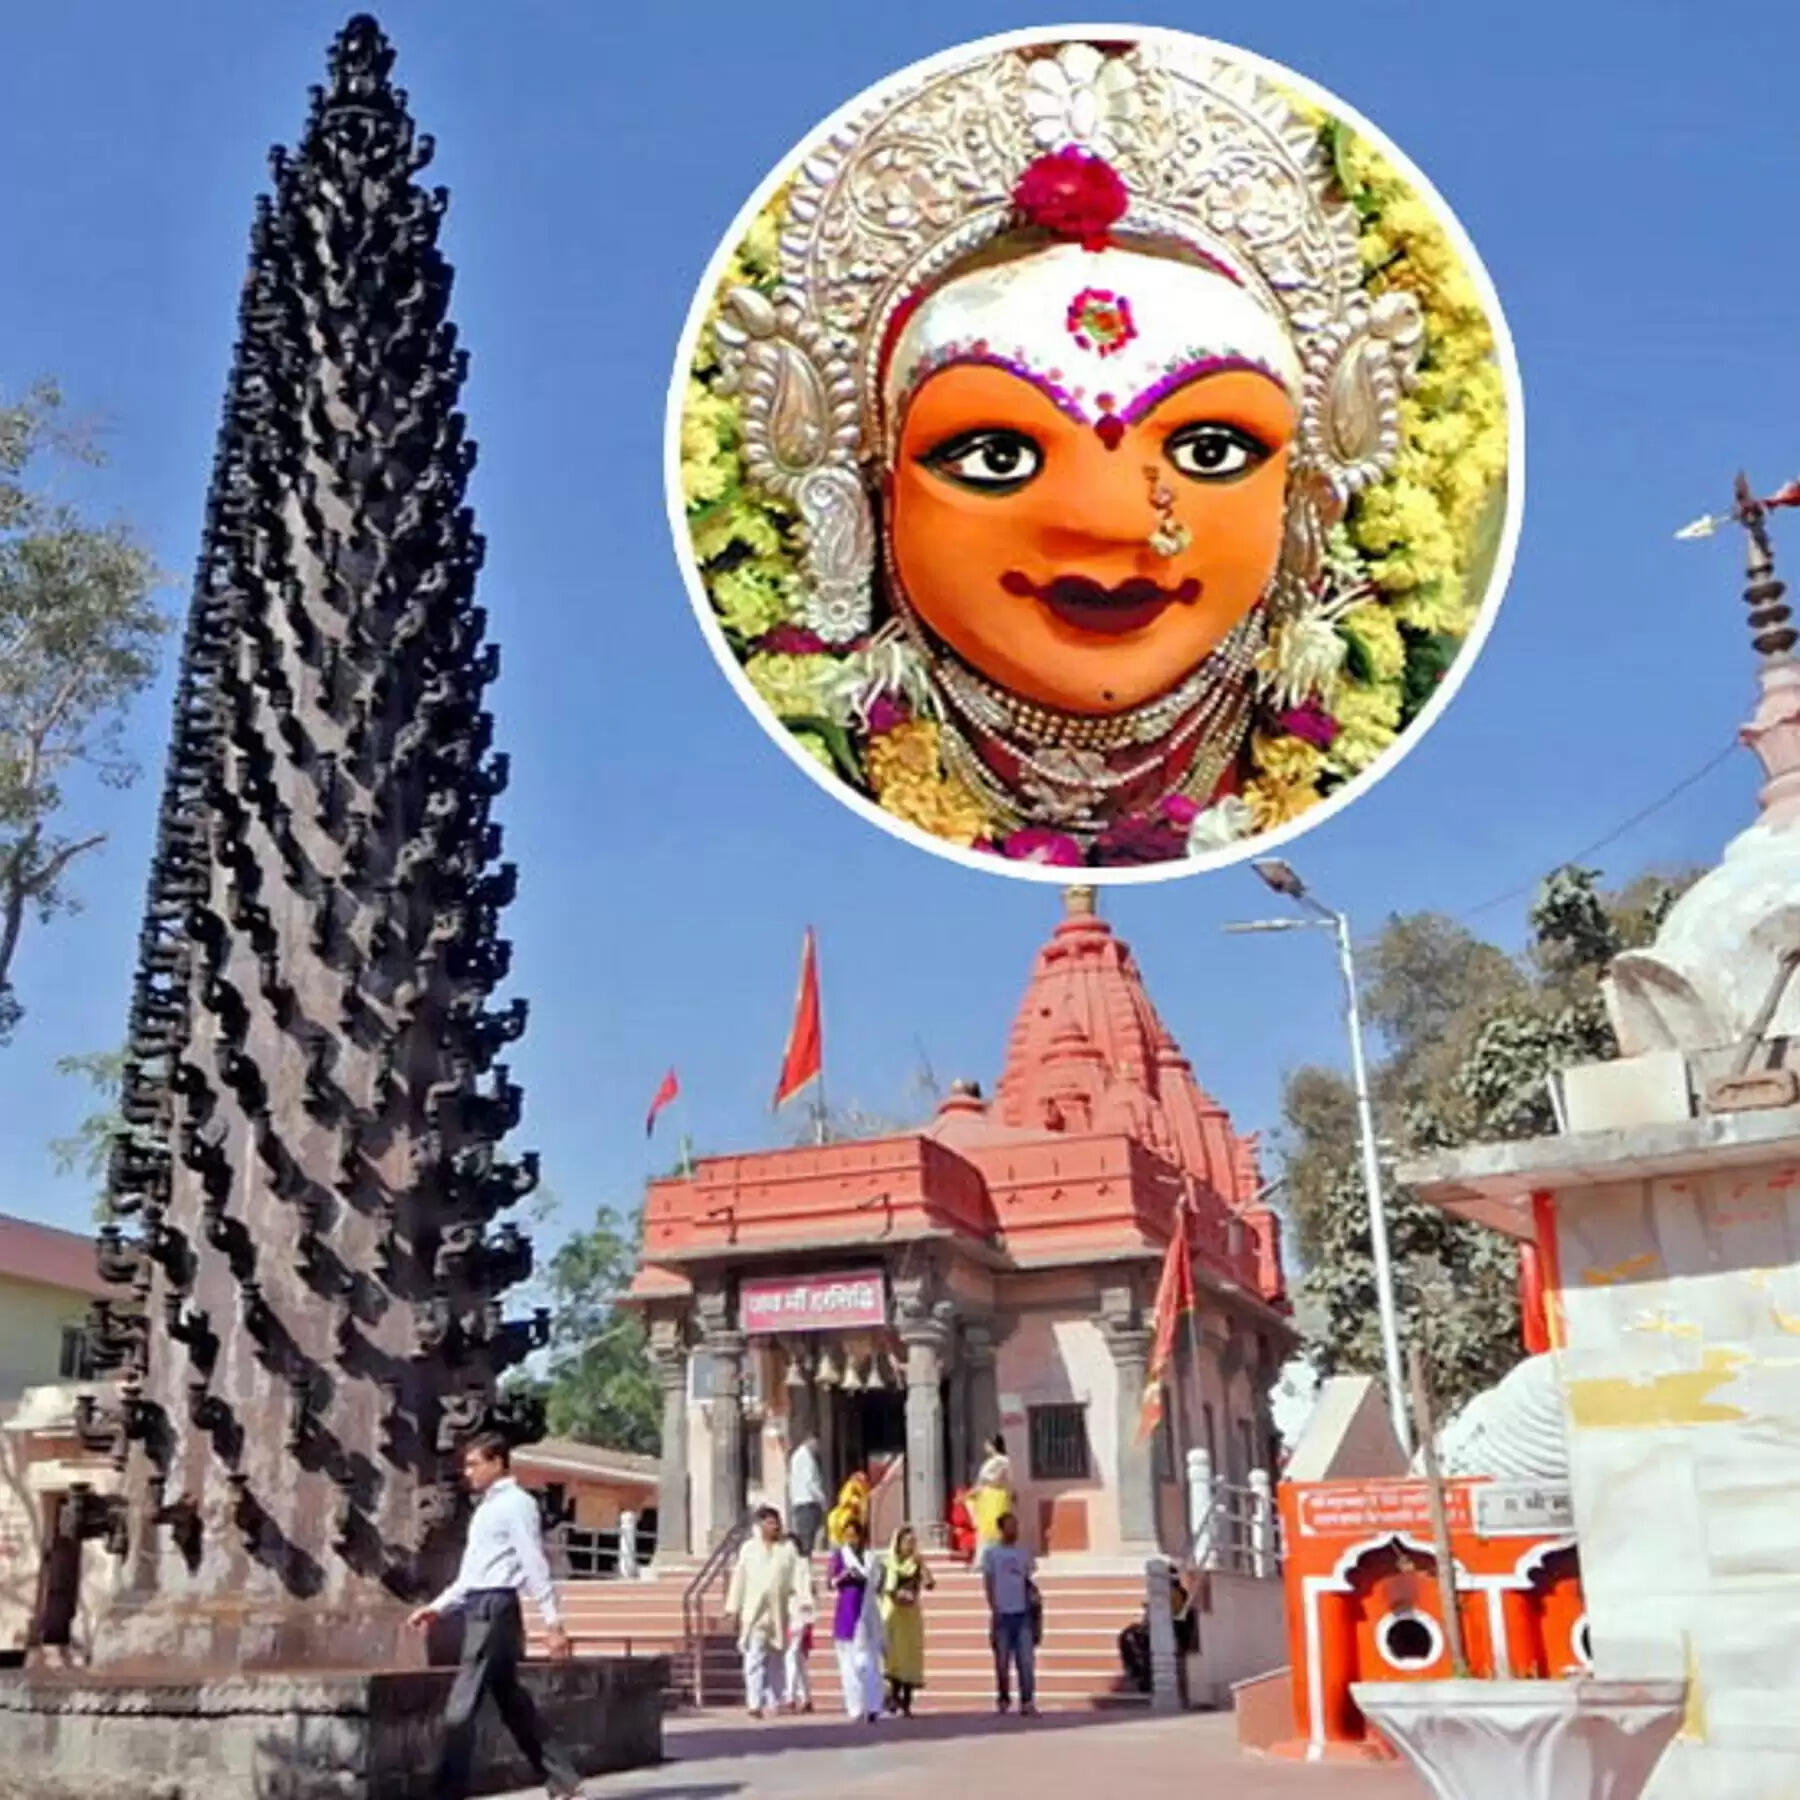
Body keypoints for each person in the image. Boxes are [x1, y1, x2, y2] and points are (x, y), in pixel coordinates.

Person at [695, 36, 1456, 869]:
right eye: (996, 457)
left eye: (1210, 451)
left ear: (1306, 493)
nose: (1113, 523)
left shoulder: (1366, 743)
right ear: (860, 492)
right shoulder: (812, 737)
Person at [406, 1433, 584, 1800]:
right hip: (483, 1603)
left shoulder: (516, 1504)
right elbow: (473, 1574)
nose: (468, 1472)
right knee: (511, 1700)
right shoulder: (487, 1509)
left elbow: (533, 1562)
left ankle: (447, 1792)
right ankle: (564, 1780)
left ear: (498, 1463)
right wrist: (439, 1607)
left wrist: (552, 1622)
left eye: (475, 1464)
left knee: (462, 1704)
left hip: (494, 1607)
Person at [723, 1505, 809, 1721]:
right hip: (755, 1612)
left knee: (776, 1658)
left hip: (778, 1612)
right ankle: (754, 1703)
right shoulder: (749, 1549)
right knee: (754, 1656)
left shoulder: (787, 1549)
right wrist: (732, 1607)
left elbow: (799, 1575)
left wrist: (804, 1599)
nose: (775, 1527)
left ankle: (774, 1700)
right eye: (770, 1523)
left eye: (777, 1522)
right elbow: (739, 1578)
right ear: (760, 1525)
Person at [826, 1516, 886, 1722]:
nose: (851, 1540)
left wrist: (866, 1578)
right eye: (847, 1536)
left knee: (869, 1662)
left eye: (854, 1536)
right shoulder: (840, 1556)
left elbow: (878, 1583)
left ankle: (874, 1705)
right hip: (847, 1614)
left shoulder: (871, 1558)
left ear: (862, 1537)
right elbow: (830, 1582)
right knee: (849, 1664)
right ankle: (855, 1706)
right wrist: (844, 1576)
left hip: (868, 1613)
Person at [979, 1511, 1038, 1718]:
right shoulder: (992, 1553)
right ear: (1001, 1528)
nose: (1014, 1529)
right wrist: (993, 1606)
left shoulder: (1023, 1553)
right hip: (1002, 1614)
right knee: (1002, 1662)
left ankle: (1027, 1701)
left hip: (1022, 1613)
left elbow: (1028, 1578)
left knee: (1026, 1661)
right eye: (1010, 1525)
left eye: (1016, 1525)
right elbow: (989, 1581)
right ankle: (1003, 1699)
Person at [878, 1525, 934, 1717]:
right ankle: (893, 1697)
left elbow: (929, 1584)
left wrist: (923, 1565)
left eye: (913, 1542)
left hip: (910, 1616)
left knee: (909, 1657)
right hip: (892, 1613)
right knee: (894, 1656)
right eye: (906, 1542)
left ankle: (907, 1702)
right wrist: (894, 1595)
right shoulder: (887, 1563)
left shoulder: (916, 1564)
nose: (910, 1546)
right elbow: (881, 1588)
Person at [971, 1434, 1015, 1550]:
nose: (985, 1447)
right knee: (985, 1528)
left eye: (987, 1444)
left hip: (995, 1497)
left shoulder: (1002, 1460)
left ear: (993, 1445)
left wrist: (985, 1483)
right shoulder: (991, 1461)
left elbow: (998, 1479)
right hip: (986, 1498)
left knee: (994, 1527)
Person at [788, 1433, 827, 1557]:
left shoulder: (802, 1456)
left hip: (803, 1502)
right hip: (807, 1503)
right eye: (817, 1444)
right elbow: (810, 1483)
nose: (818, 1447)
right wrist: (822, 1500)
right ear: (811, 1440)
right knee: (806, 1539)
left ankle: (806, 1560)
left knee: (808, 1539)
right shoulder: (804, 1457)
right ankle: (804, 1563)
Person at [784, 1577, 816, 1714]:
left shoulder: (801, 1572)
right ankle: (806, 1698)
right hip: (796, 1613)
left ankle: (791, 1698)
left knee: (791, 1656)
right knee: (799, 1659)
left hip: (798, 1615)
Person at [826, 1470, 869, 1548]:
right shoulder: (852, 1487)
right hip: (843, 1521)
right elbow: (845, 1499)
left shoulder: (859, 1489)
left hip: (844, 1522)